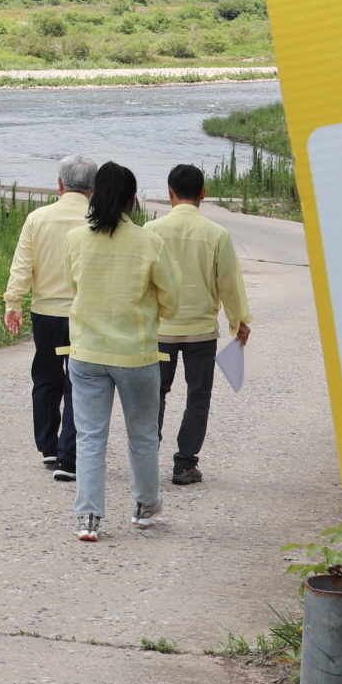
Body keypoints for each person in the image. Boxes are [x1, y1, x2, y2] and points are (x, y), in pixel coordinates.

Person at [61, 161, 178, 541]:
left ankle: (88, 518)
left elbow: (73, 287)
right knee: (142, 434)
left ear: (93, 194)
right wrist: (150, 312)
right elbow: (172, 300)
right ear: (133, 199)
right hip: (136, 354)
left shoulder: (75, 239)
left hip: (86, 352)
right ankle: (144, 506)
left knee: (90, 437)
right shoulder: (149, 242)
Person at [150, 163, 251, 486]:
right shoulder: (216, 234)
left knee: (155, 393)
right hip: (201, 331)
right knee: (198, 395)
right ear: (203, 194)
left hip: (160, 330)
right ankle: (184, 464)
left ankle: (146, 458)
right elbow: (229, 283)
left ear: (169, 193)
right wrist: (239, 321)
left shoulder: (151, 231)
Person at [2, 154, 95, 480]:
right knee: (79, 382)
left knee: (45, 377)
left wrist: (13, 302)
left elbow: (22, 265)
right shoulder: (98, 219)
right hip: (85, 315)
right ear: (93, 188)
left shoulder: (38, 218)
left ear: (60, 184)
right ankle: (69, 454)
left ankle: (48, 446)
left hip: (46, 313)